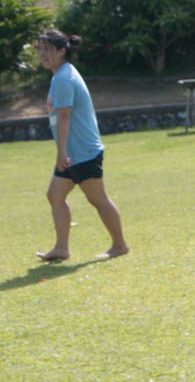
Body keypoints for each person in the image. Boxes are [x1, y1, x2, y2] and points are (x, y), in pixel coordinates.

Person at [34, 30, 129, 261]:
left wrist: (61, 152)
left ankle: (119, 245)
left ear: (61, 51)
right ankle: (61, 248)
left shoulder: (64, 78)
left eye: (47, 49)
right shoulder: (61, 75)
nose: (42, 54)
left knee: (98, 200)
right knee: (55, 195)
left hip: (82, 153)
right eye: (40, 49)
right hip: (73, 153)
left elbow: (64, 117)